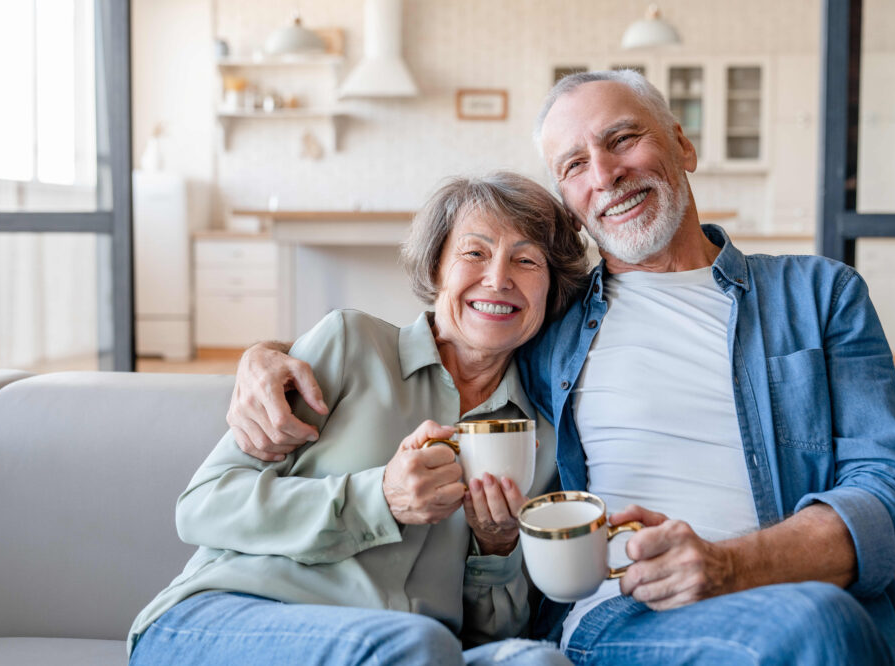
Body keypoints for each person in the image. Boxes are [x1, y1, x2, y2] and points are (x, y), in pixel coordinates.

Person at [229, 71, 895, 665]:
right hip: (623, 616)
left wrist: (729, 566)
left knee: (817, 622)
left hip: (799, 605)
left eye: (623, 138)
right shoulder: (549, 327)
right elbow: (438, 334)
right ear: (567, 198)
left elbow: (890, 496)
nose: (605, 174)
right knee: (815, 625)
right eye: (572, 164)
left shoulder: (821, 295)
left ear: (682, 145)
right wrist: (265, 356)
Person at [127, 171, 589, 666]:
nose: (498, 278)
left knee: (537, 663)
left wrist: (495, 550)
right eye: (474, 253)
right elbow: (202, 506)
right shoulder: (350, 344)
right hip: (226, 620)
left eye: (525, 260)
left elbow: (491, 634)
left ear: (551, 290)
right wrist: (380, 499)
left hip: (407, 652)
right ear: (436, 270)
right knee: (418, 643)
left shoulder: (536, 437)